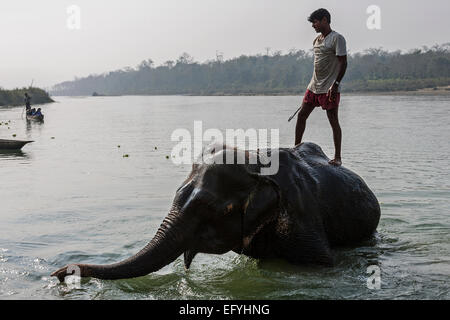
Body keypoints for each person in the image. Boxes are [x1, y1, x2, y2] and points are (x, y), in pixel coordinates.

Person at [295, 8, 347, 166]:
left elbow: (343, 62)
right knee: (301, 116)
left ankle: (337, 157)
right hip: (313, 86)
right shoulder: (316, 40)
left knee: (333, 120)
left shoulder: (337, 38)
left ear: (325, 20)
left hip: (329, 87)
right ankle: (296, 149)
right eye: (312, 23)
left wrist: (335, 84)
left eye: (315, 22)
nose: (313, 25)